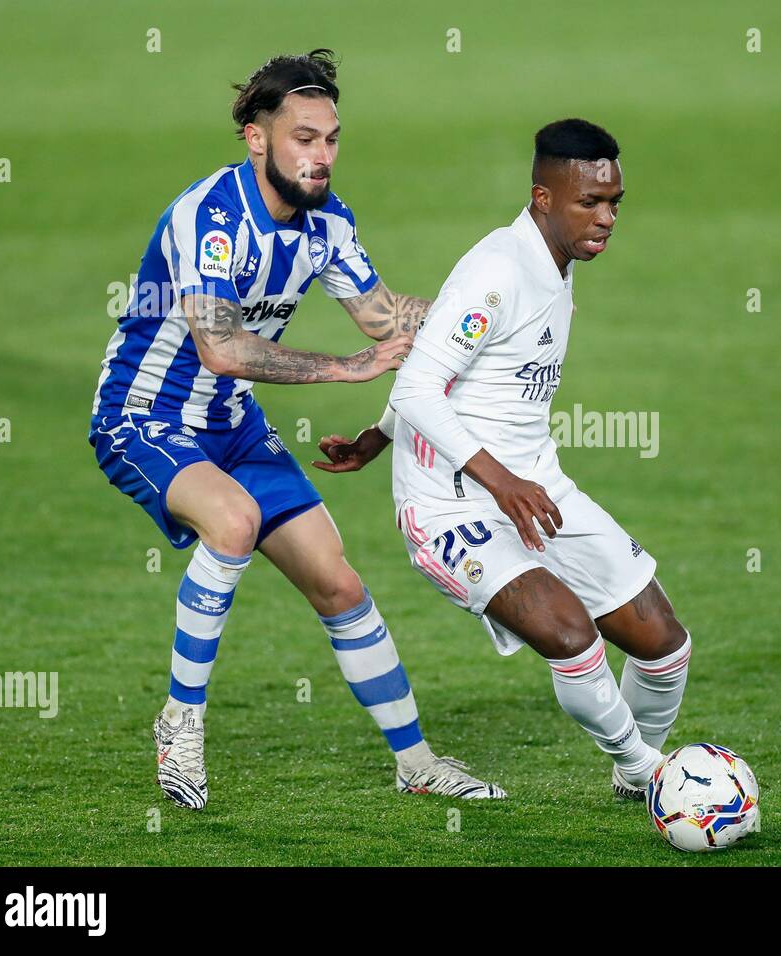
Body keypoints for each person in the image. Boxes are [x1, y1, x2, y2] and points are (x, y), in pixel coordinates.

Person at [89, 49, 504, 809]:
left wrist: (495, 314)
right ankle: (180, 721)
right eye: (304, 138)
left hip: (230, 423)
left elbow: (385, 317)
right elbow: (219, 346)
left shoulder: (328, 223)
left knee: (337, 580)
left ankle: (416, 764)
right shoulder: (209, 217)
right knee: (235, 520)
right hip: (141, 417)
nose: (321, 156)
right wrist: (343, 369)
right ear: (256, 137)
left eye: (332, 139)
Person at [316, 119, 691, 799]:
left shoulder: (558, 261)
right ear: (542, 198)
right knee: (572, 636)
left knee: (664, 645)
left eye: (615, 203)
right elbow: (418, 383)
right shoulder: (497, 272)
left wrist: (376, 436)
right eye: (590, 203)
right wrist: (500, 480)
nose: (607, 218)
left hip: (532, 487)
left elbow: (451, 368)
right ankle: (653, 777)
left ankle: (640, 786)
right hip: (450, 504)